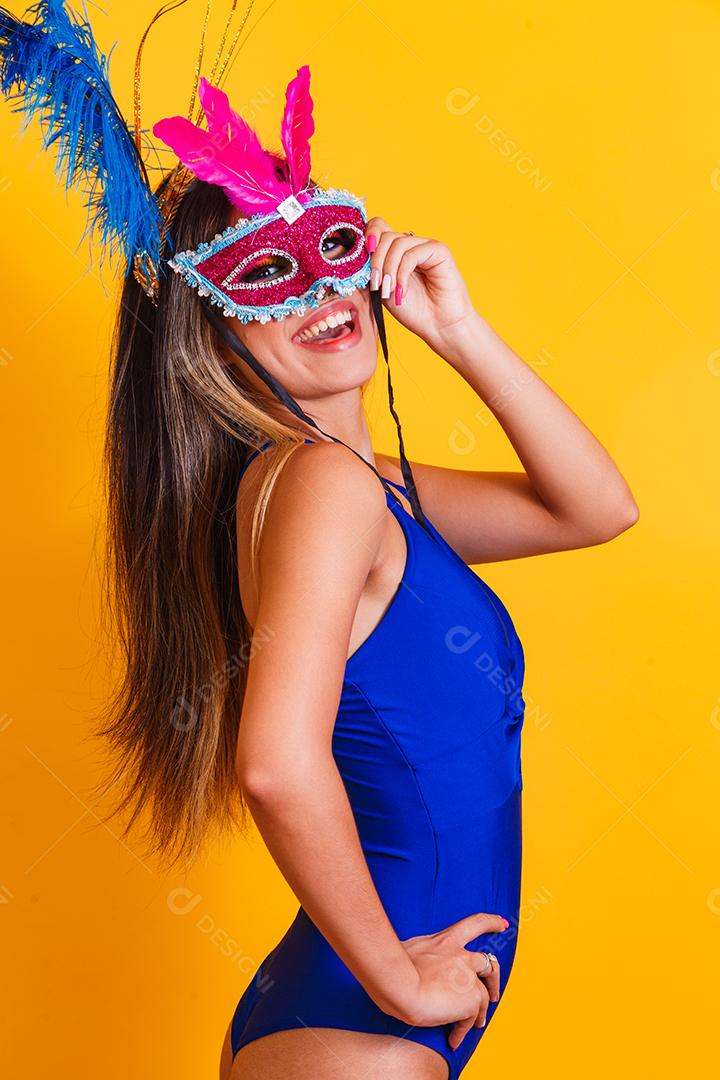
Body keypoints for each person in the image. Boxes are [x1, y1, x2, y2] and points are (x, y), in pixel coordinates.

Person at [0, 10, 639, 1078]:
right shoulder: (324, 489)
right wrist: (397, 983)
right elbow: (277, 764)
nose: (316, 292)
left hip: (349, 1020)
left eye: (330, 249)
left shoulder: (364, 488)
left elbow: (594, 509)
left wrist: (456, 329)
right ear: (210, 331)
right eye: (265, 275)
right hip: (360, 1033)